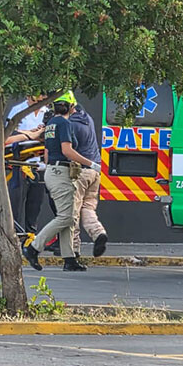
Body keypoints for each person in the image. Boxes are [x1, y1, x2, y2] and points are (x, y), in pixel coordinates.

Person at [22, 91, 101, 271]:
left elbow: (48, 153)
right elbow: (67, 150)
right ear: (71, 106)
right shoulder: (65, 123)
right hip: (61, 171)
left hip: (52, 171)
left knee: (68, 216)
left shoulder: (51, 124)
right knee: (66, 217)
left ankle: (69, 259)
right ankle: (33, 248)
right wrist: (91, 164)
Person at [69, 103, 108, 257]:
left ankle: (74, 249)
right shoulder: (87, 119)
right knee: (87, 207)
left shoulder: (70, 124)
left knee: (73, 211)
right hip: (95, 171)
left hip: (80, 171)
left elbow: (67, 148)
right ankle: (98, 233)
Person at [6, 96, 48, 234]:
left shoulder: (47, 112)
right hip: (20, 164)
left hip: (39, 164)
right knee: (16, 203)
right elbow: (9, 135)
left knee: (35, 204)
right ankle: (14, 234)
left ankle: (30, 235)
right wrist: (32, 134)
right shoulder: (18, 111)